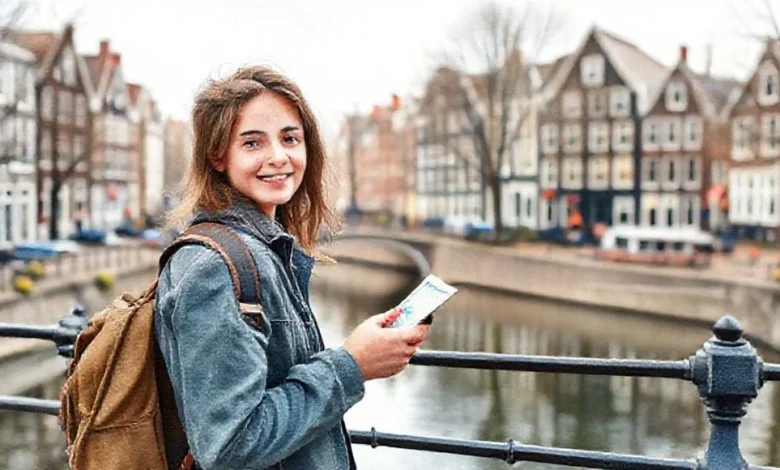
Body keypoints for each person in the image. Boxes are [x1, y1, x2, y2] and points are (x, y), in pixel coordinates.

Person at [155, 66, 429, 470]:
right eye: (252, 143)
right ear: (217, 155)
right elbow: (229, 445)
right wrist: (351, 365)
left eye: (290, 138)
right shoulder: (213, 266)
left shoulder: (265, 249)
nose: (279, 157)